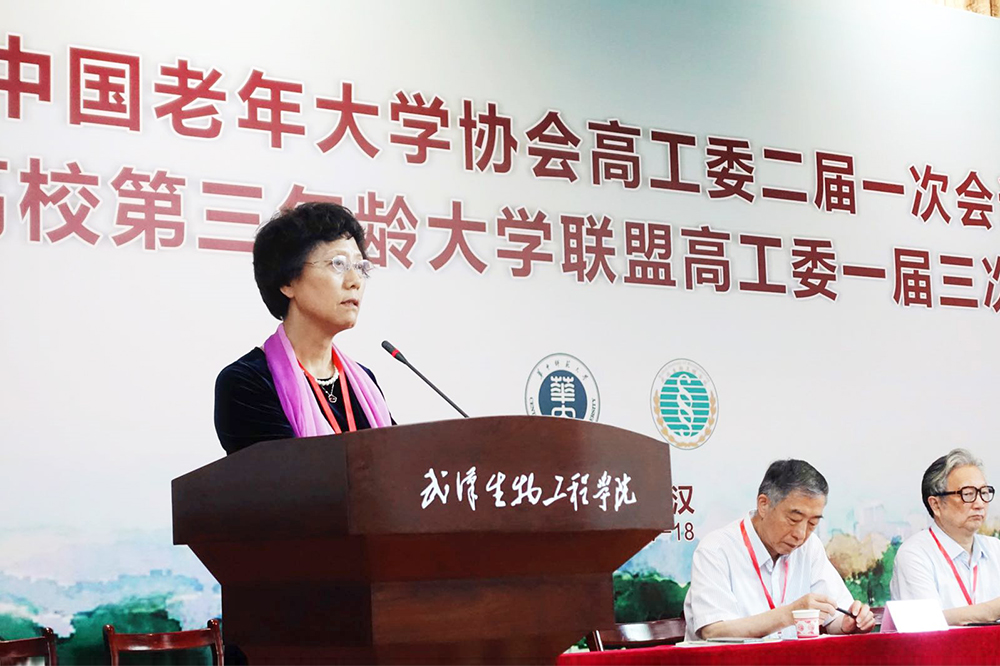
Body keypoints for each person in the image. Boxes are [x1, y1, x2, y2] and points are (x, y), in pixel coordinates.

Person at [214, 202, 393, 454]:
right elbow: (282, 474)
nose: (355, 281)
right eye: (338, 265)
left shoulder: (365, 381)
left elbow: (397, 466)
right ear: (287, 282)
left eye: (360, 267)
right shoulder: (246, 382)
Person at [683, 459, 876, 640]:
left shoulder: (810, 547)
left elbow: (834, 618)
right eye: (794, 519)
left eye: (812, 523)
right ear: (764, 505)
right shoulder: (716, 550)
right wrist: (789, 614)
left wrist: (848, 624)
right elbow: (713, 631)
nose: (801, 534)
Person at [890, 448, 1000, 624]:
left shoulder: (996, 549)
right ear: (936, 505)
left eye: (984, 492)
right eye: (968, 494)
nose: (980, 504)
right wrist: (990, 612)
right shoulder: (914, 555)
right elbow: (925, 621)